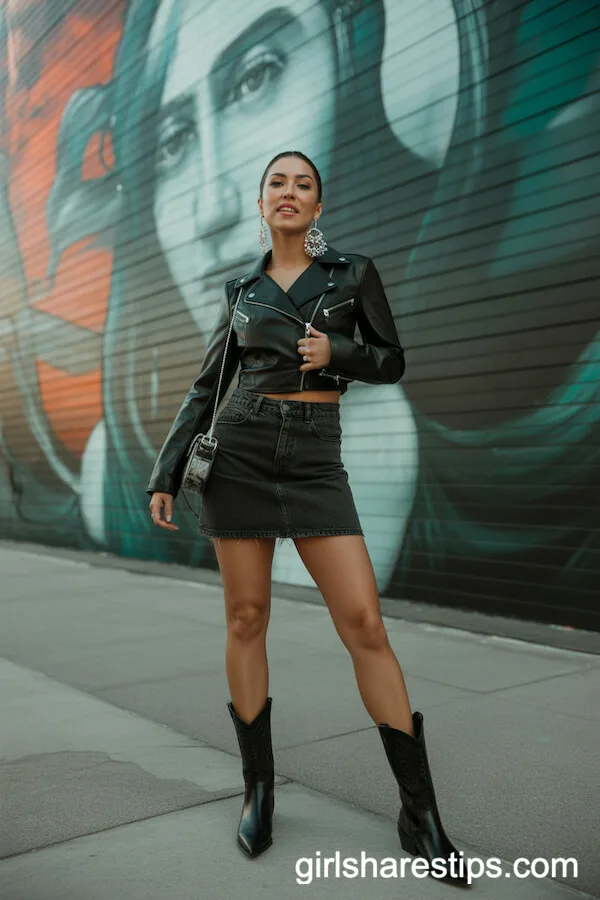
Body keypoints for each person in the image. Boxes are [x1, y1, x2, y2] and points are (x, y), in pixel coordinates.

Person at [147, 151, 468, 886]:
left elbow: (392, 361)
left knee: (364, 624)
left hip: (319, 459)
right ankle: (258, 790)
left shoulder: (352, 275)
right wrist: (166, 471)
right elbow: (208, 387)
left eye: (303, 185)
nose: (289, 194)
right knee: (246, 617)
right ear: (261, 203)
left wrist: (340, 352)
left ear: (317, 207)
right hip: (242, 451)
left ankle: (419, 812)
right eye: (276, 184)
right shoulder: (242, 290)